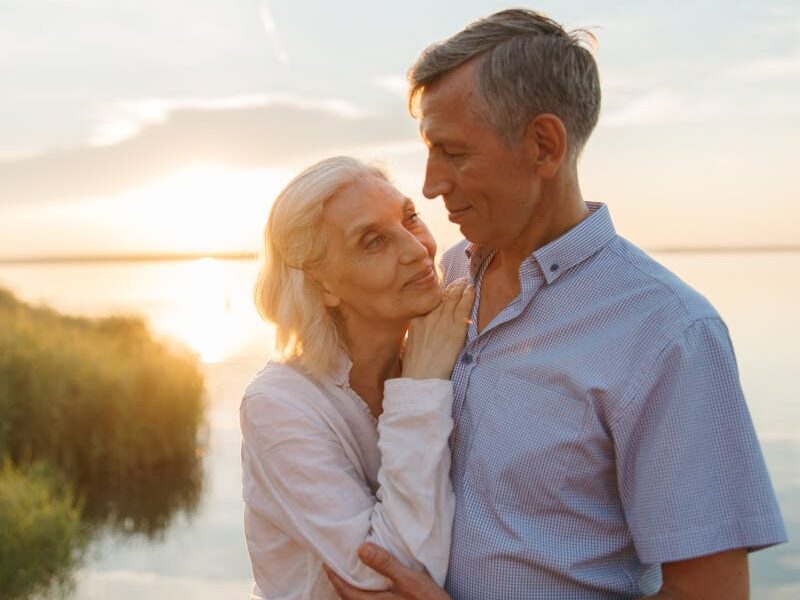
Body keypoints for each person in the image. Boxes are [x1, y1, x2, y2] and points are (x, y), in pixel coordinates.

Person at [328, 9, 787, 600]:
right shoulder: (443, 278)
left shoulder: (667, 333)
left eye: (454, 152)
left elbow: (712, 593)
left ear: (544, 145)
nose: (430, 183)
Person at [240, 156, 475, 599]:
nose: (416, 248)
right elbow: (390, 574)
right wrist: (421, 386)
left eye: (411, 218)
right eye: (373, 241)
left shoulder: (447, 348)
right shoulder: (279, 403)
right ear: (322, 285)